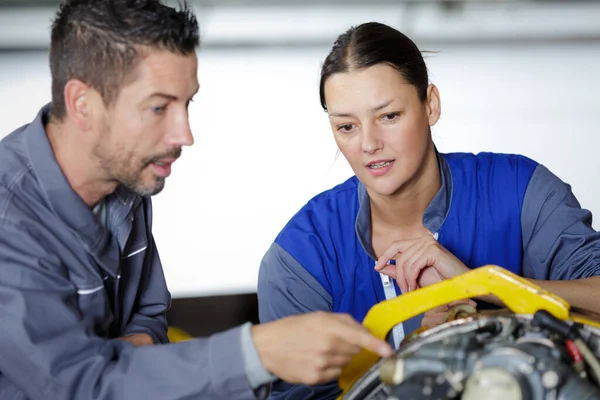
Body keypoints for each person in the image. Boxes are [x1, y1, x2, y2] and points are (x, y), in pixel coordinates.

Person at [0, 3, 394, 400]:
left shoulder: (124, 180)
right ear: (82, 103)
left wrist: (131, 365)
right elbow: (78, 386)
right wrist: (257, 352)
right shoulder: (8, 220)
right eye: (158, 107)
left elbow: (148, 314)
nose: (184, 134)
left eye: (186, 104)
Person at [257, 21, 600, 399]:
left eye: (389, 116)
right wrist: (425, 348)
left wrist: (485, 286)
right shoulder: (300, 258)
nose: (369, 144)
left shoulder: (522, 191)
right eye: (347, 126)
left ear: (430, 104)